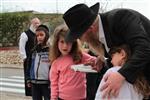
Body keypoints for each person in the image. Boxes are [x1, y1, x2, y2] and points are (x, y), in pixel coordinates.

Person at [63, 2, 150, 98]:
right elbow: (124, 53)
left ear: (90, 29)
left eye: (79, 36)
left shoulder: (120, 18)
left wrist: (121, 75)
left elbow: (144, 48)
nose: (80, 40)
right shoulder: (103, 31)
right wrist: (104, 61)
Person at [49, 24, 97, 100]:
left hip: (81, 98)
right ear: (56, 43)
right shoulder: (56, 63)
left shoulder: (80, 56)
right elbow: (54, 84)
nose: (65, 46)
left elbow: (97, 62)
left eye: (68, 42)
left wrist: (93, 63)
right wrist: (53, 98)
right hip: (63, 98)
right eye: (62, 42)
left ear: (73, 43)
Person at [19, 17, 41, 96]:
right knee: (28, 75)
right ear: (32, 24)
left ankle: (38, 92)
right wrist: (24, 58)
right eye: (35, 23)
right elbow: (21, 47)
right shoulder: (25, 34)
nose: (37, 25)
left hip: (38, 58)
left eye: (38, 23)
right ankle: (29, 93)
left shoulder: (39, 34)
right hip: (28, 59)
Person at [28, 25, 50, 100]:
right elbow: (29, 65)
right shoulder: (33, 50)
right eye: (37, 35)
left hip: (47, 83)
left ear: (46, 35)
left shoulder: (51, 50)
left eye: (41, 35)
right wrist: (28, 79)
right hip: (34, 82)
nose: (39, 37)